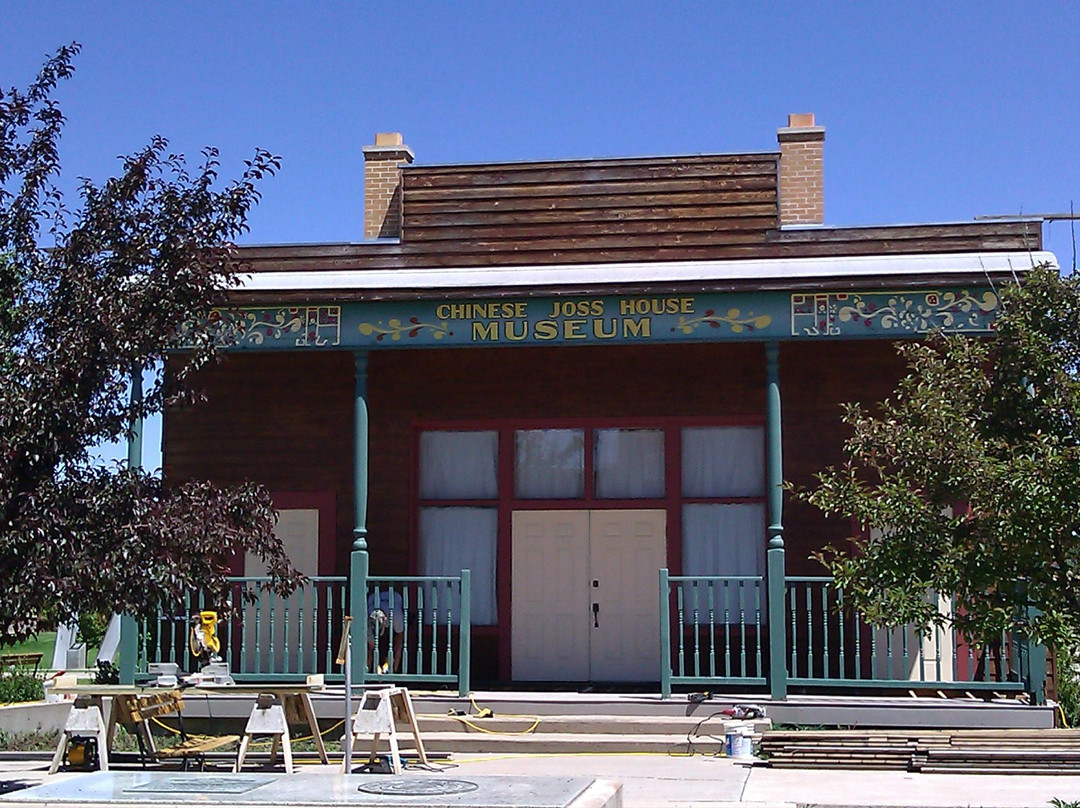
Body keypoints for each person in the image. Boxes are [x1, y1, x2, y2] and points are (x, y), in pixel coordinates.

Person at [367, 588, 405, 673]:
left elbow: (400, 637)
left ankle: (394, 669)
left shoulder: (396, 614)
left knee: (397, 638)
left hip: (395, 599)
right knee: (371, 645)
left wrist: (394, 669)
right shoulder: (368, 618)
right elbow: (371, 646)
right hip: (373, 599)